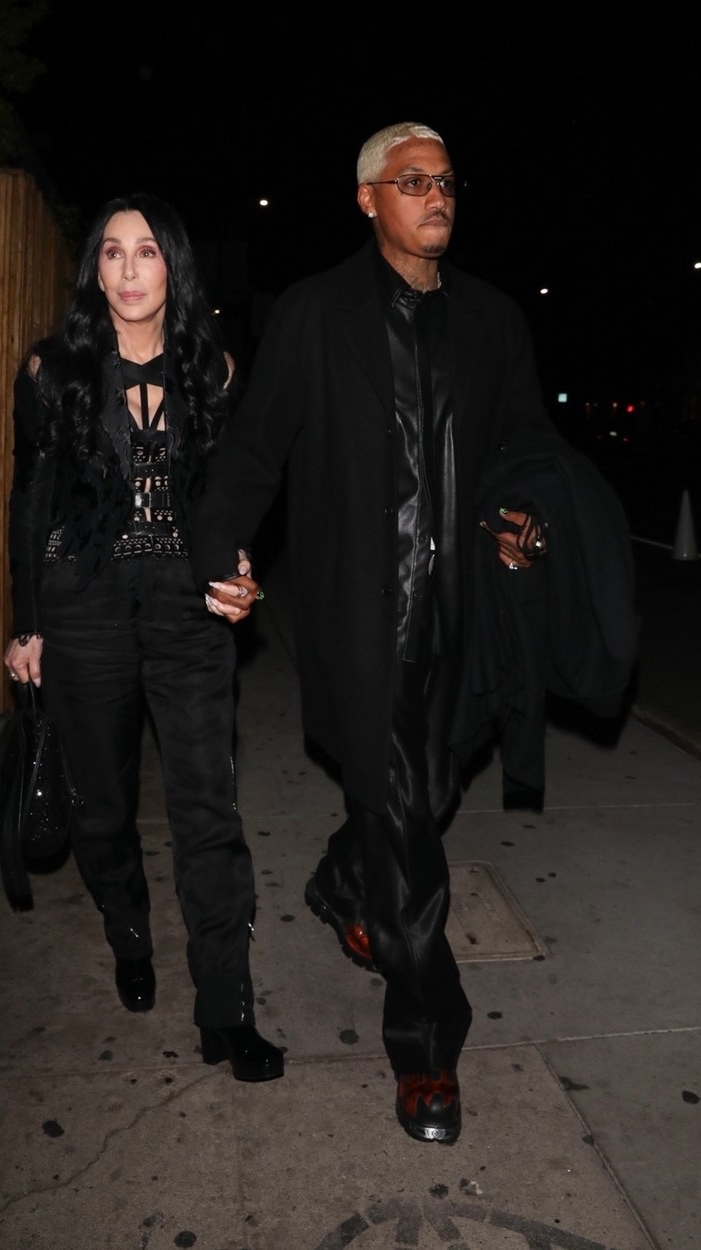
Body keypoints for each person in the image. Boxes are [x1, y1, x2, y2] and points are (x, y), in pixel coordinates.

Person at [191, 121, 561, 1141]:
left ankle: (338, 880)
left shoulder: (492, 320)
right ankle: (427, 1040)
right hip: (360, 618)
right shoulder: (315, 315)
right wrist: (217, 548)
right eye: (411, 181)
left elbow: (525, 442)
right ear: (367, 199)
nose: (435, 195)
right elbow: (254, 450)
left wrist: (524, 516)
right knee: (403, 815)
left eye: (445, 181)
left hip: (462, 615)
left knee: (423, 797)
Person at [3, 192, 283, 1083]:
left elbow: (230, 497)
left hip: (186, 611)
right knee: (104, 809)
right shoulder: (52, 370)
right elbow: (29, 502)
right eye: (113, 252)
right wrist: (25, 624)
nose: (129, 269)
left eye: (148, 251)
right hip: (82, 606)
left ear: (174, 268)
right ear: (95, 268)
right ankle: (128, 931)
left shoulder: (215, 371)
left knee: (208, 810)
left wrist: (239, 571)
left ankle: (225, 1006)